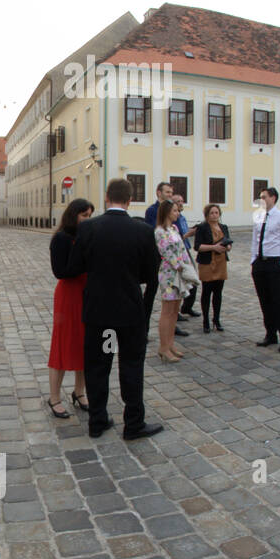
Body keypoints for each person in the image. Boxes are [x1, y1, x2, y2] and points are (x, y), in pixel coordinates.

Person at [77, 179, 164, 440]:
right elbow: (152, 275)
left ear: (106, 197)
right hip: (129, 315)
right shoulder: (142, 231)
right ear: (129, 200)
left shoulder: (90, 228)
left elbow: (78, 265)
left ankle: (97, 420)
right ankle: (134, 423)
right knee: (131, 366)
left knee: (98, 367)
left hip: (101, 315)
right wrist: (144, 313)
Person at [44, 197, 93, 419]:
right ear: (73, 215)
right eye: (84, 215)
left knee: (85, 345)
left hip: (86, 295)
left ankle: (79, 392)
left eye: (90, 216)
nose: (87, 220)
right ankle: (54, 397)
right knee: (62, 345)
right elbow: (60, 271)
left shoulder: (87, 236)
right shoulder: (61, 239)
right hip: (68, 296)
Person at [246, 186, 280, 352]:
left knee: (278, 301)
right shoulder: (258, 216)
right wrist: (253, 260)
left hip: (275, 263)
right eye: (260, 197)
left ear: (273, 198)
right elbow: (254, 239)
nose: (261, 200)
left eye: (264, 197)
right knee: (264, 300)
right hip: (260, 263)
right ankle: (270, 334)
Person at [150, 197, 198, 362]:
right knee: (167, 311)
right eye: (175, 210)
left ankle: (170, 344)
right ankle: (163, 347)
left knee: (174, 311)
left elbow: (182, 249)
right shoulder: (160, 231)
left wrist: (187, 265)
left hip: (179, 272)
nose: (178, 213)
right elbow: (167, 253)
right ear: (167, 212)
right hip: (169, 274)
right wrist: (180, 266)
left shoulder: (174, 229)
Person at [190, 203, 233, 334]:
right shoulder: (202, 228)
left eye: (216, 213)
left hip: (220, 263)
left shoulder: (224, 227)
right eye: (212, 213)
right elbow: (197, 246)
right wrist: (213, 247)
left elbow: (228, 242)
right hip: (207, 263)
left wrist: (227, 247)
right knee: (207, 292)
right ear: (207, 215)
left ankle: (216, 319)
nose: (214, 215)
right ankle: (206, 321)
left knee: (218, 293)